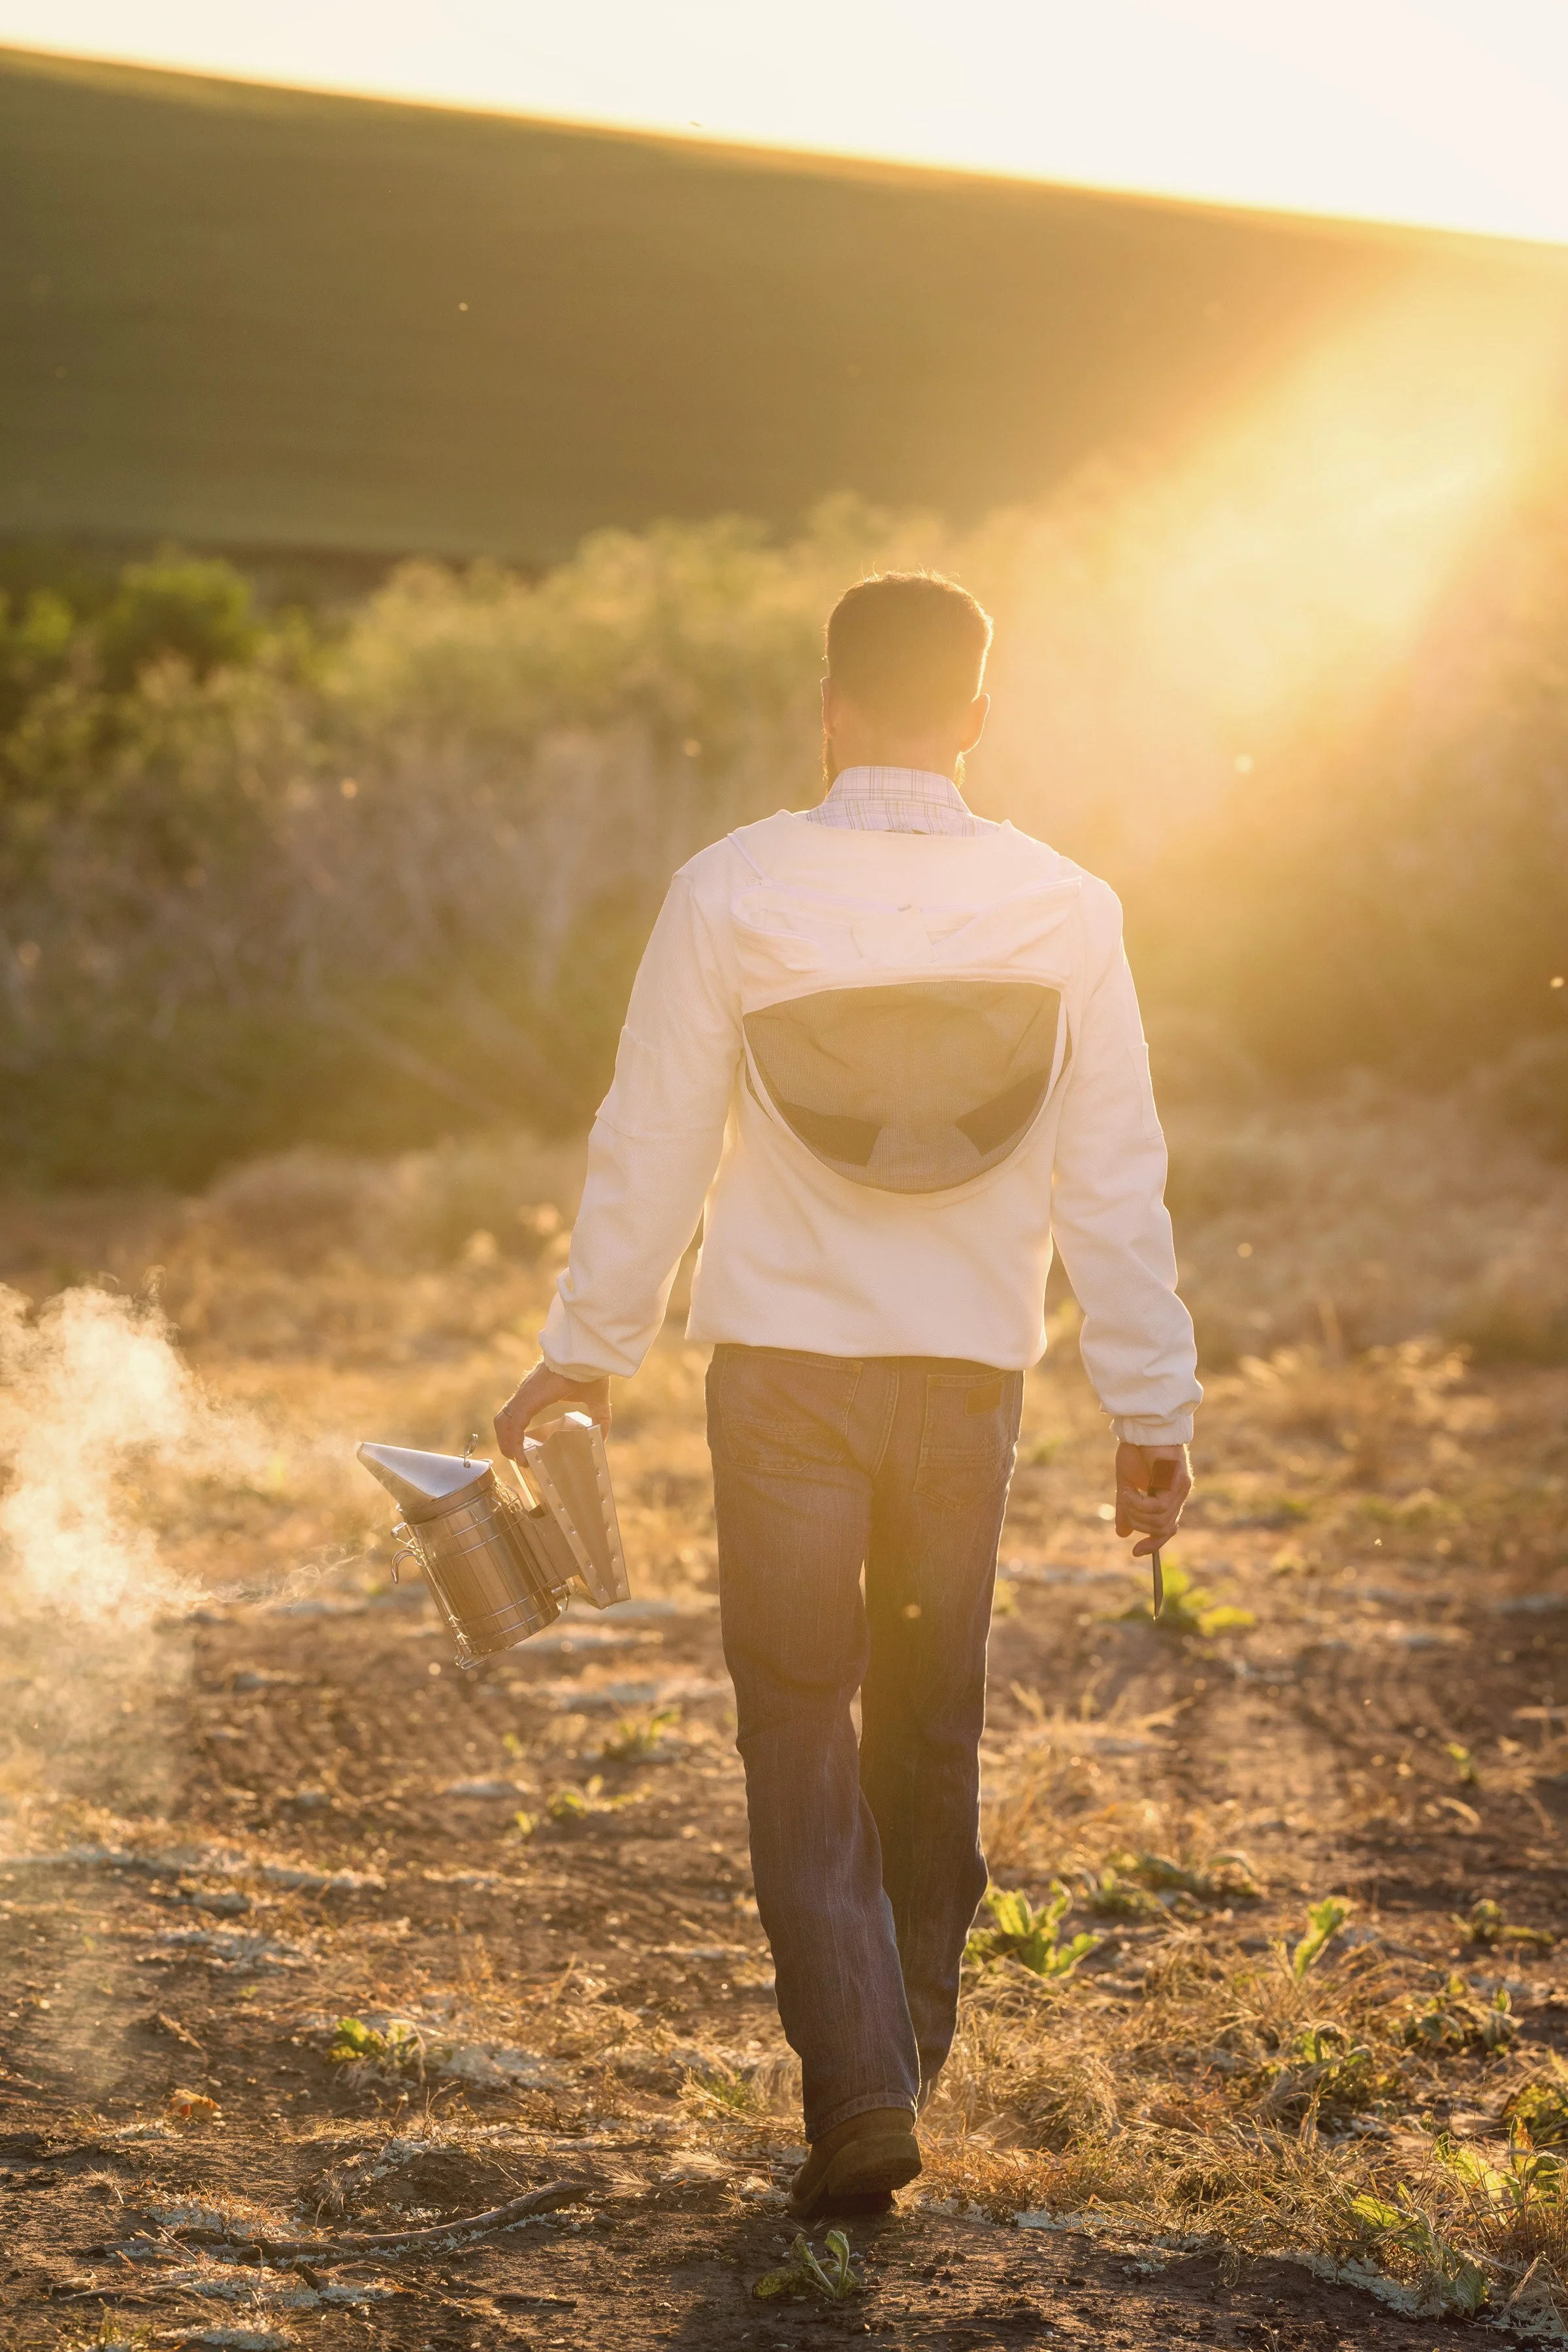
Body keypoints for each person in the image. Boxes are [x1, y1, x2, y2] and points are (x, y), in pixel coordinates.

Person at [494, 572, 1200, 2218]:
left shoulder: (731, 889)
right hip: (965, 1384)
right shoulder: (1066, 907)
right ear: (973, 718)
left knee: (797, 1718)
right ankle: (906, 2058)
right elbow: (1118, 1181)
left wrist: (587, 1345)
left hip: (785, 1378)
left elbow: (650, 1138)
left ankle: (861, 2082)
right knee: (931, 1715)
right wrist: (1149, 1407)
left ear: (829, 706)